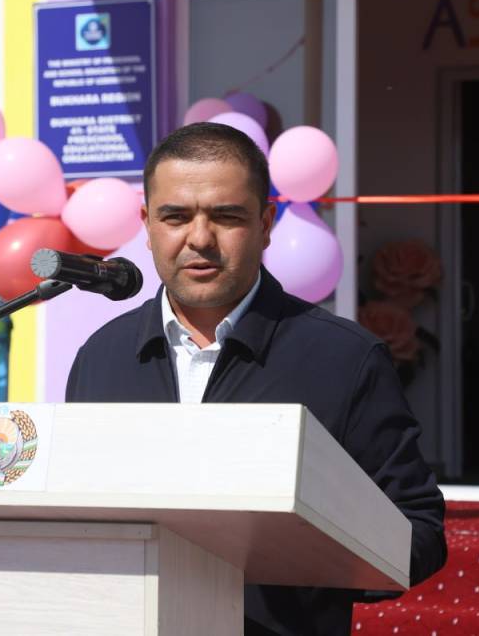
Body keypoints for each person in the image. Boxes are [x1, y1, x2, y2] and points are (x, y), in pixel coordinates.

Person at [66, 122, 447, 635]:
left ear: (267, 224)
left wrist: (306, 560)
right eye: (176, 217)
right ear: (147, 224)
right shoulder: (100, 357)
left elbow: (417, 531)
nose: (200, 238)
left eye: (227, 216)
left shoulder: (345, 358)